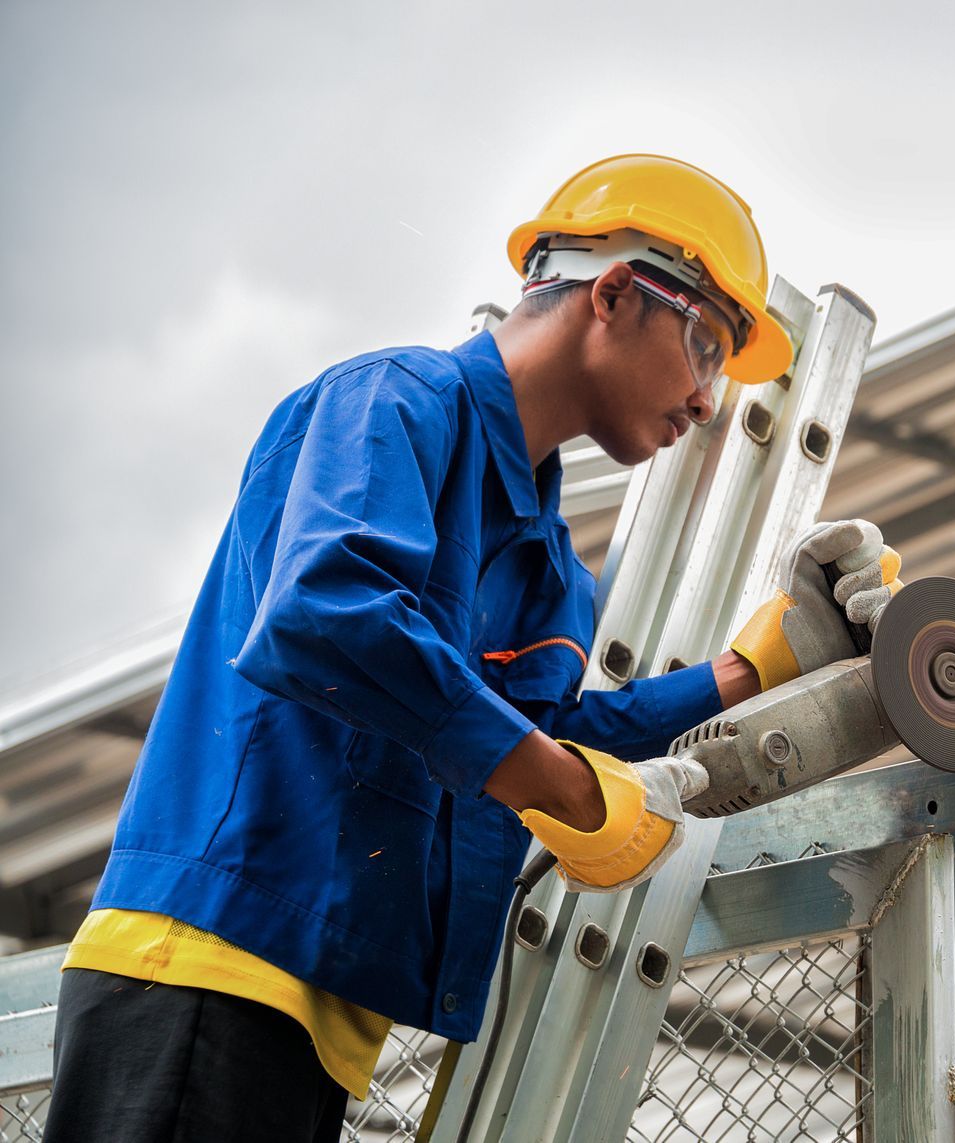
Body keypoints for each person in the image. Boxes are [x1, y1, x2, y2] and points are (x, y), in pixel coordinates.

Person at [44, 154, 901, 1142]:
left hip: (313, 1022)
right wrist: (567, 790)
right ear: (616, 293)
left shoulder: (545, 567)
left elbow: (537, 732)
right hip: (200, 968)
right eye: (706, 344)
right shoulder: (393, 406)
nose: (709, 398)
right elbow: (332, 611)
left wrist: (767, 665)